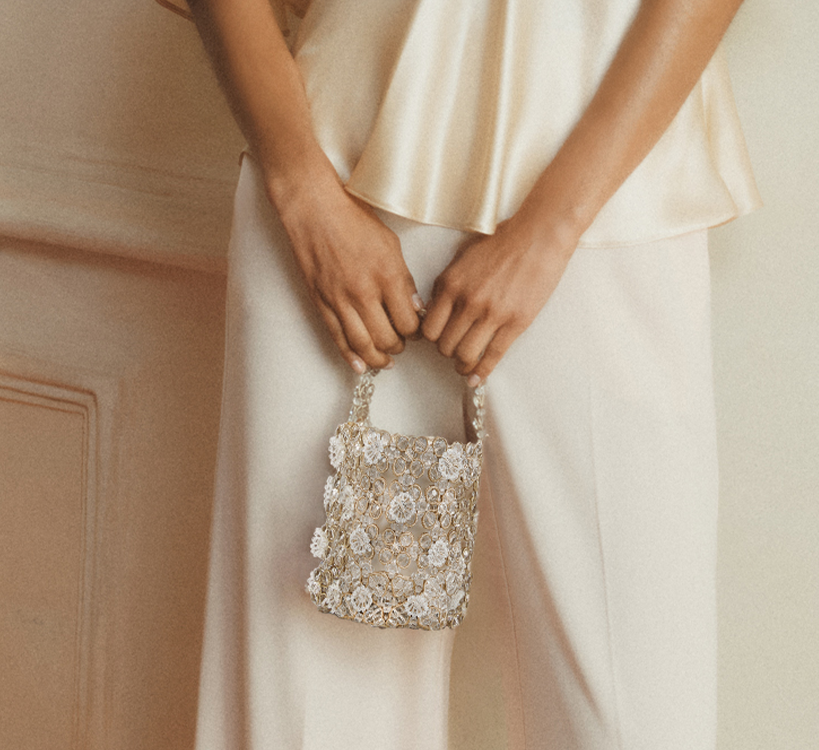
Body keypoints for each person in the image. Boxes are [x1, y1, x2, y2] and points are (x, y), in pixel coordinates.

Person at [174, 0, 761, 747]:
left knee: (629, 709)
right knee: (307, 705)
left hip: (605, 208)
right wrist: (303, 191)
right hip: (331, 184)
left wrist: (551, 226)